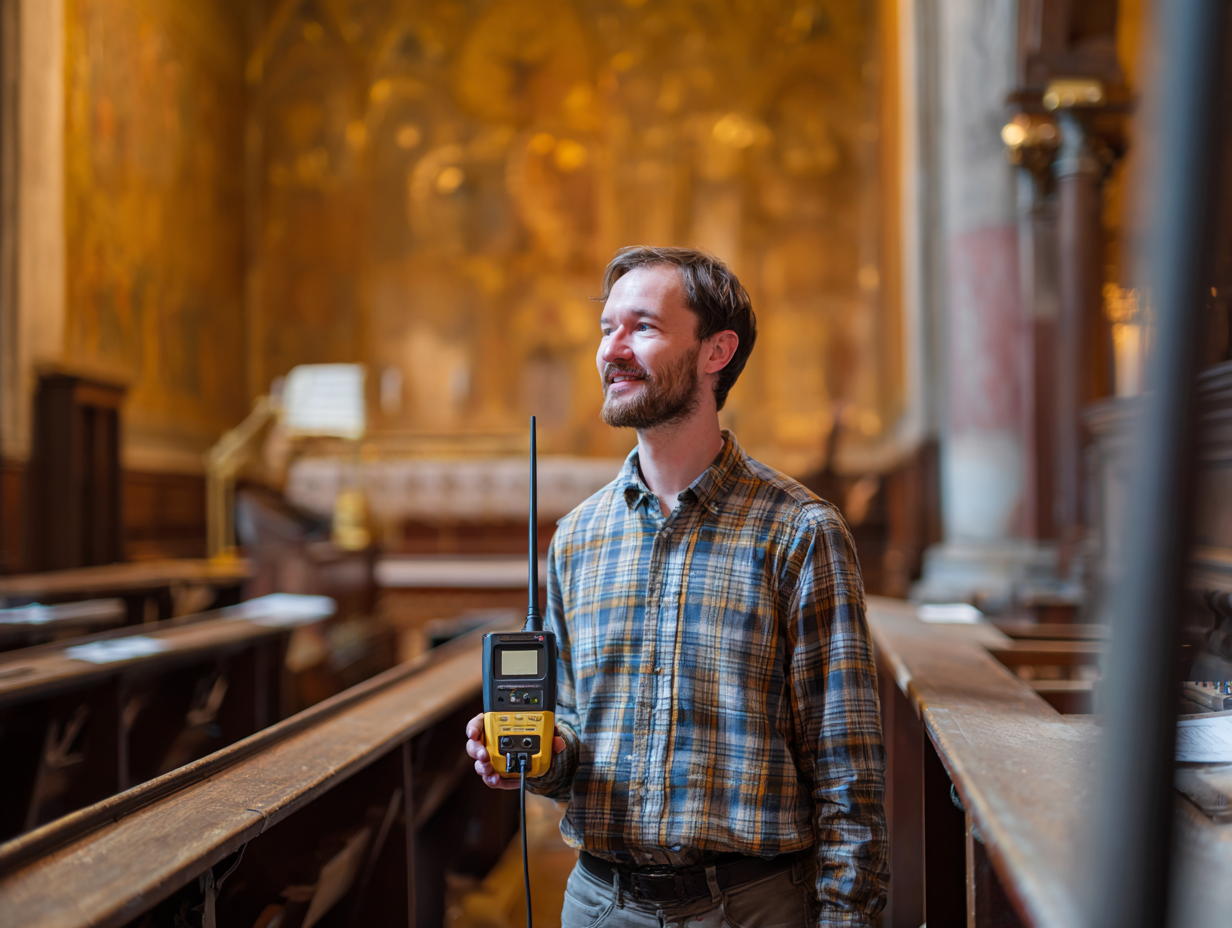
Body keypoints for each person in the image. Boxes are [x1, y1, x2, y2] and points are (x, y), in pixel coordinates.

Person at [465, 246, 888, 926]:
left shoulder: (801, 533)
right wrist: (533, 757)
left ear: (716, 350)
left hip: (749, 907)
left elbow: (848, 773)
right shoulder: (577, 537)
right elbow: (574, 731)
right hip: (600, 904)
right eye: (607, 329)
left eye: (643, 327)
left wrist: (850, 917)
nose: (613, 350)